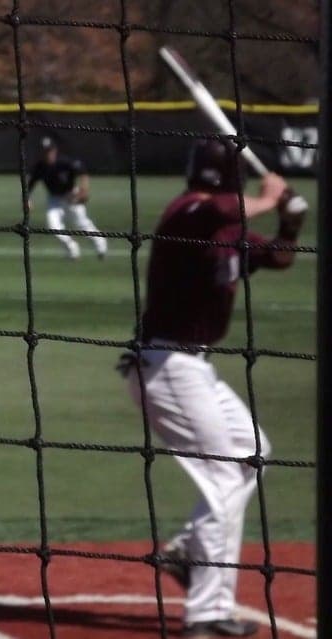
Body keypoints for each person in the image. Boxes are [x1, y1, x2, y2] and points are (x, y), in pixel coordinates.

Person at [120, 139, 306, 637]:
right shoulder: (188, 214)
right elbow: (210, 209)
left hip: (192, 370)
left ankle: (186, 551)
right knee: (224, 479)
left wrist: (290, 221)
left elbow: (280, 258)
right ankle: (205, 615)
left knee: (252, 451)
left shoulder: (228, 231)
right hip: (166, 367)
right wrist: (270, 197)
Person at [27, 136, 106, 260]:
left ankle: (100, 244)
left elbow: (82, 171)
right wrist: (27, 199)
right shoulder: (40, 167)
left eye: (49, 150)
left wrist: (84, 190)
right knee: (53, 226)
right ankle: (72, 248)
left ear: (54, 150)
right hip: (54, 199)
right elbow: (30, 185)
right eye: (44, 151)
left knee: (82, 225)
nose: (47, 154)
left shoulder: (64, 162)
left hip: (71, 196)